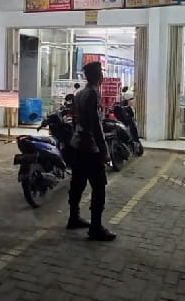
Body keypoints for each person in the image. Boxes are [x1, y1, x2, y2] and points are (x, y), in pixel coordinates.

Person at [65, 61, 116, 241]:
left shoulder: (79, 93)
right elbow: (96, 125)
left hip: (77, 144)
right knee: (99, 187)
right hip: (90, 147)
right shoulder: (93, 94)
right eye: (101, 73)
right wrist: (104, 150)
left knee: (77, 183)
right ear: (98, 76)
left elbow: (74, 119)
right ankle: (96, 227)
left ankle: (74, 217)